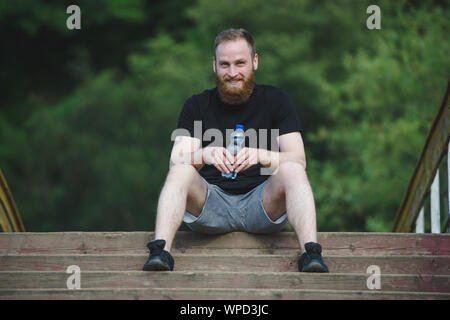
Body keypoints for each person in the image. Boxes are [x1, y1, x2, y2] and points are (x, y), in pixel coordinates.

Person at [142, 28, 329, 273]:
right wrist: (205, 155)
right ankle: (160, 253)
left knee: (292, 170)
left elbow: (299, 159)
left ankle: (311, 255)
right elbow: (176, 162)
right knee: (180, 172)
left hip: (262, 206)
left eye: (240, 63)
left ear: (254, 61)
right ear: (214, 65)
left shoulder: (277, 100)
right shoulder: (196, 104)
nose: (232, 73)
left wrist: (261, 155)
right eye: (225, 64)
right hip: (210, 206)